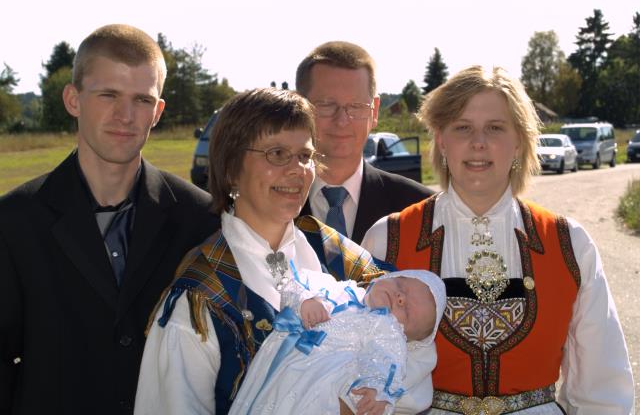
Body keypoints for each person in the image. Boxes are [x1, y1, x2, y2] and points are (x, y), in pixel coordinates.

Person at [362, 65, 635, 414]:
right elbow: (354, 367)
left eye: (495, 127)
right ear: (441, 139)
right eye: (463, 127)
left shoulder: (570, 243)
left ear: (519, 140)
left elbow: (602, 387)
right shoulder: (387, 239)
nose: (478, 142)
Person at [0, 24, 220, 415]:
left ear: (158, 112)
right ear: (73, 100)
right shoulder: (13, 222)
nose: (125, 115)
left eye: (141, 100)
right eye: (108, 95)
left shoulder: (200, 218)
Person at [134, 88, 382, 415]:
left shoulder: (332, 252)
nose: (298, 169)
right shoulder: (198, 297)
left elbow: (409, 332)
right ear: (231, 169)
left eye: (305, 155)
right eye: (277, 154)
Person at [229, 269, 446, 415]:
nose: (400, 298)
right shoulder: (341, 288)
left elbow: (386, 358)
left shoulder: (385, 327)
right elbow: (296, 280)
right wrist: (306, 300)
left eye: (406, 311)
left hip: (323, 379)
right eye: (400, 285)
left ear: (407, 338)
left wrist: (376, 389)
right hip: (284, 362)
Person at [296, 41, 433, 244]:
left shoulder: (422, 210)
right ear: (299, 107)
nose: (342, 120)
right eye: (326, 104)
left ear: (374, 111)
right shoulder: (267, 207)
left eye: (356, 106)